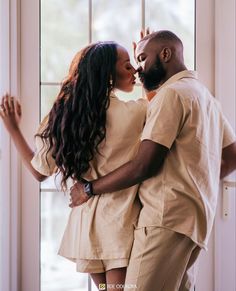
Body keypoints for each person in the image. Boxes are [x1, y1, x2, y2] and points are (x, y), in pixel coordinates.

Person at [69, 30, 236, 291]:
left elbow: (144, 165)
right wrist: (195, 180)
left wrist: (89, 189)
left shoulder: (171, 95)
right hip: (194, 223)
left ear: (166, 54)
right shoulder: (204, 96)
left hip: (164, 219)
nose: (137, 68)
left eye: (142, 58)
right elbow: (232, 156)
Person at [0, 41, 147, 291]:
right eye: (128, 65)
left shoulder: (67, 113)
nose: (134, 70)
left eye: (135, 65)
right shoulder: (133, 113)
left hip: (85, 228)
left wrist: (13, 129)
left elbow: (38, 172)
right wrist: (149, 62)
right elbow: (159, 100)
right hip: (119, 225)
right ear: (108, 74)